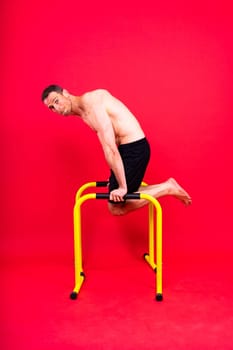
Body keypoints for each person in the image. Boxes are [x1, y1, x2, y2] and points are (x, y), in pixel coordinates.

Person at [41, 85, 192, 215]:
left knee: (116, 207)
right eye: (52, 108)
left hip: (134, 149)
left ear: (65, 93)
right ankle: (166, 186)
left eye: (56, 101)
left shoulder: (91, 103)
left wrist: (122, 186)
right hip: (128, 150)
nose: (56, 108)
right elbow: (111, 145)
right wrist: (115, 177)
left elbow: (110, 147)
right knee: (121, 196)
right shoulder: (84, 112)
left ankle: (167, 187)